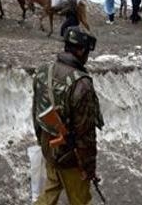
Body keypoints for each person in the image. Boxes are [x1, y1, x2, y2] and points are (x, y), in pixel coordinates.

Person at [32, 27, 103, 205]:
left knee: (51, 189)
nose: (87, 56)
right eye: (86, 52)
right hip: (71, 155)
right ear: (80, 51)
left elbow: (36, 112)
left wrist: (42, 142)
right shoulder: (82, 84)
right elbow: (86, 132)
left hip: (49, 145)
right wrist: (89, 167)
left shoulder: (43, 71)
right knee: (80, 200)